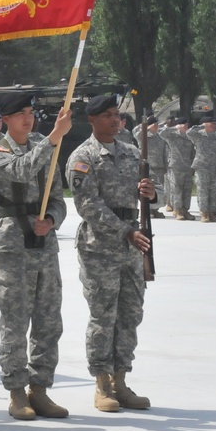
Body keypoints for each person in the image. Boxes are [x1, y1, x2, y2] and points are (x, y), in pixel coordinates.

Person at [0, 94, 71, 421]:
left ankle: (40, 389)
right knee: (15, 322)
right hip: (13, 245)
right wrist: (53, 139)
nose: (27, 118)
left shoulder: (48, 148)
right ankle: (17, 392)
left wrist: (54, 221)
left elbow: (59, 199)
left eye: (31, 112)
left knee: (49, 321)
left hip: (44, 246)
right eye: (20, 113)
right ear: (5, 118)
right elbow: (19, 170)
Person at [66, 94, 157, 413]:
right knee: (103, 316)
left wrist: (151, 193)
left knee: (130, 314)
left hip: (133, 244)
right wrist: (125, 231)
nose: (115, 120)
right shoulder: (83, 156)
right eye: (107, 115)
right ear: (91, 120)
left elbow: (145, 196)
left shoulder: (133, 153)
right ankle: (102, 384)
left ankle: (121, 380)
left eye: (117, 114)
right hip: (100, 246)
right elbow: (88, 205)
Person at [187, 115, 216, 222]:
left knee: (214, 191)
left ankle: (212, 212)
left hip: (215, 167)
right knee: (203, 191)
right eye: (212, 123)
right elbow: (189, 132)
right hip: (202, 167)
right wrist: (201, 126)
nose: (215, 125)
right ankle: (204, 214)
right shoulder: (198, 135)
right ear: (205, 124)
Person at [159, 118, 194, 220]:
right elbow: (162, 133)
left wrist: (192, 165)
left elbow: (192, 152)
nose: (186, 127)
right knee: (177, 189)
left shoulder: (189, 137)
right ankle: (177, 210)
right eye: (184, 125)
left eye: (186, 125)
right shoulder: (172, 136)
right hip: (175, 166)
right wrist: (174, 127)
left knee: (187, 189)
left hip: (187, 166)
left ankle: (185, 210)